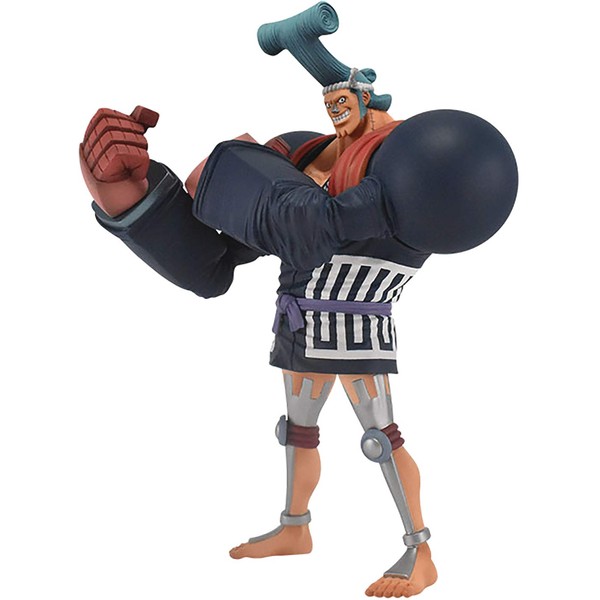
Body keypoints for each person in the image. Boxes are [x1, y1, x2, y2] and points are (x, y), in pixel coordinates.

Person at [80, 4, 517, 597]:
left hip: (357, 329)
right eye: (336, 105)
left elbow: (310, 221)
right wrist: (129, 196)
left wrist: (236, 174)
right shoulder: (305, 163)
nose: (343, 117)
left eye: (355, 104)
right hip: (299, 323)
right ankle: (295, 526)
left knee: (380, 438)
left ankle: (420, 550)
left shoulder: (406, 197)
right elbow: (211, 264)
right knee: (297, 431)